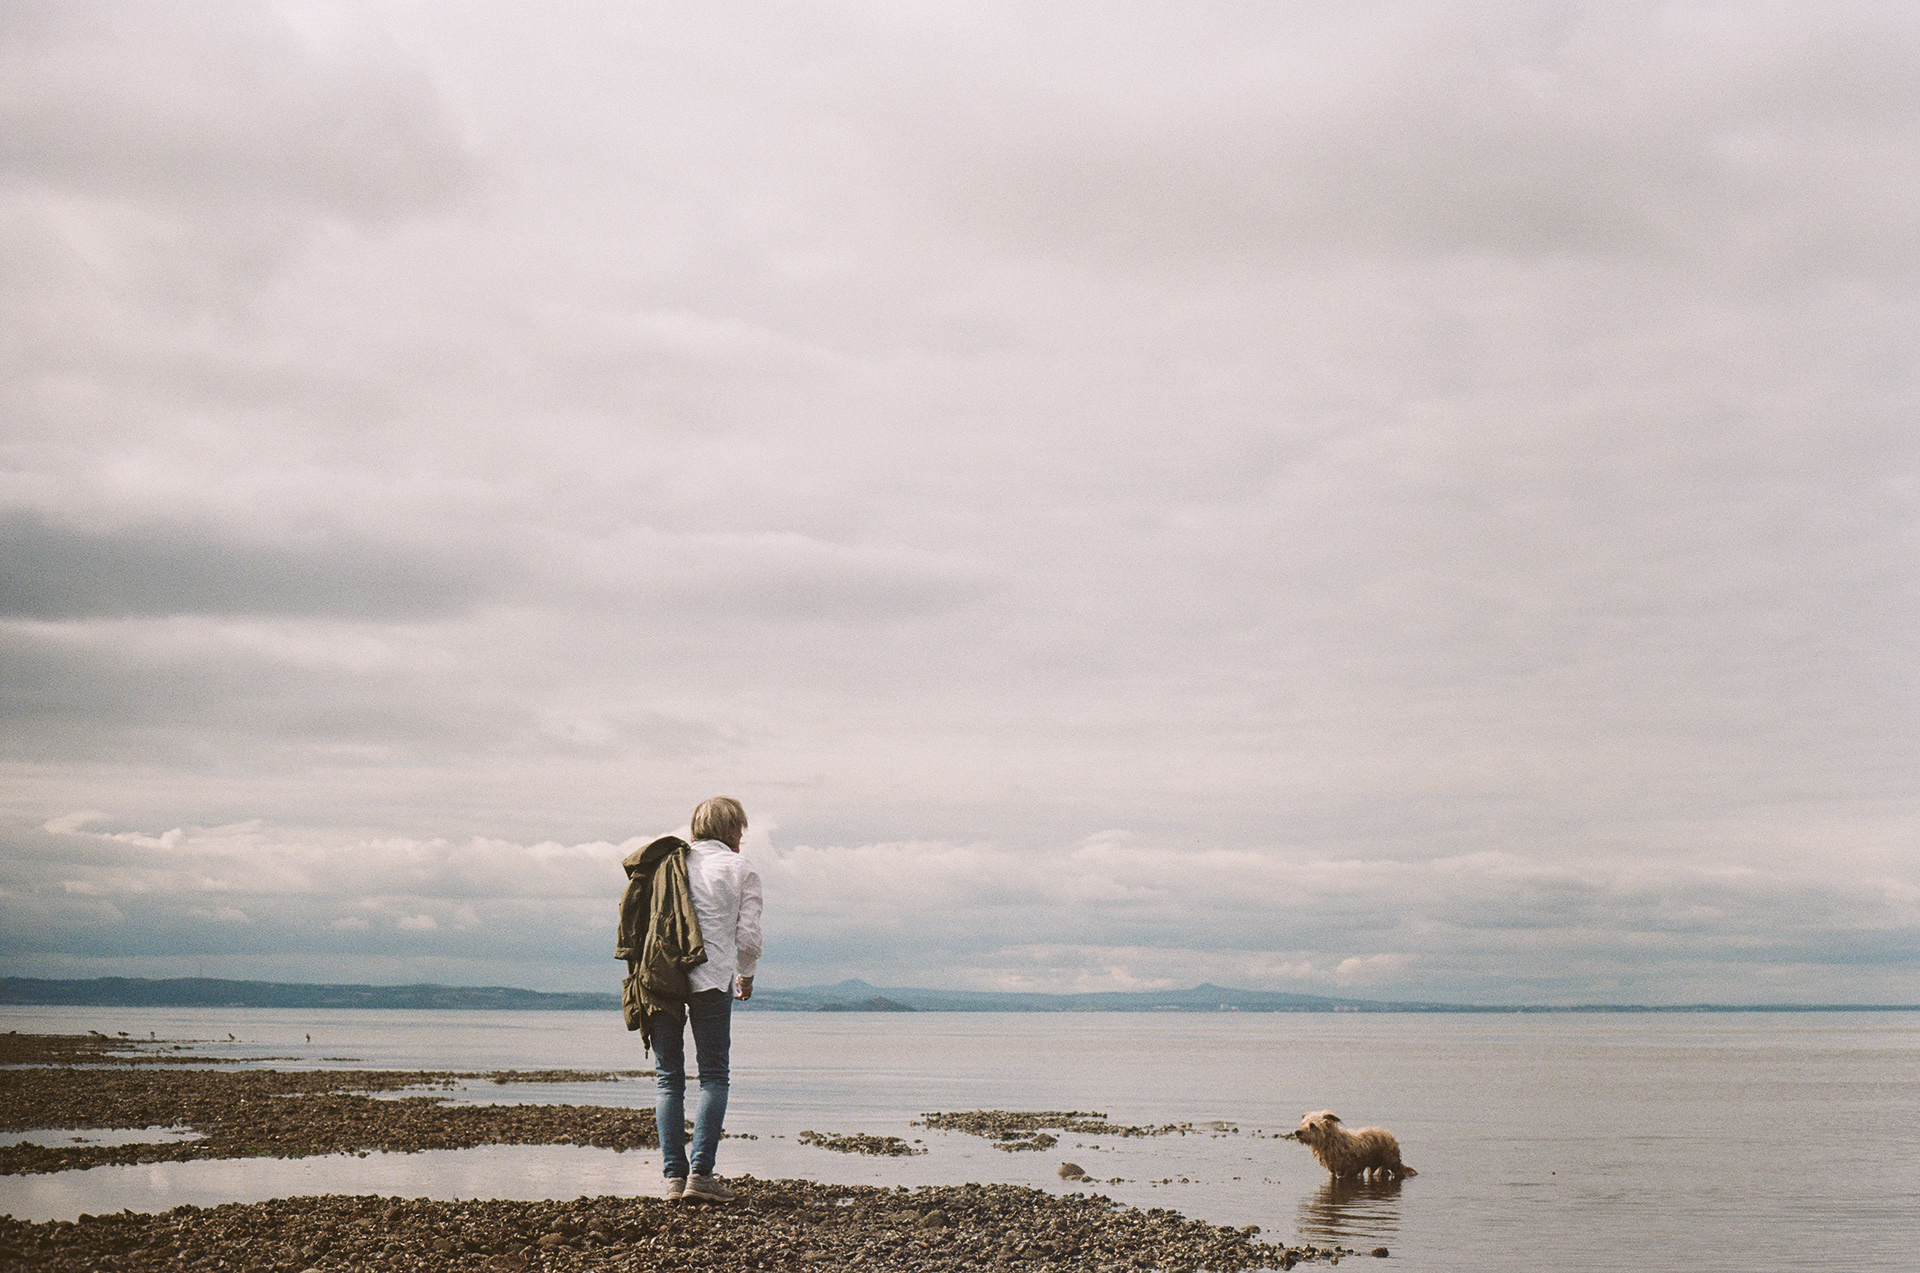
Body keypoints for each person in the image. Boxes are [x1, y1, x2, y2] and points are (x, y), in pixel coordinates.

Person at [647, 796, 762, 1202]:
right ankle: (702, 1175)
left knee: (668, 1079)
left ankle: (673, 1180)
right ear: (730, 829)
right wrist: (745, 977)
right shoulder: (739, 868)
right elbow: (747, 936)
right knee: (713, 1076)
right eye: (740, 829)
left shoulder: (669, 864)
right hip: (711, 978)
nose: (742, 837)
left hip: (661, 979)